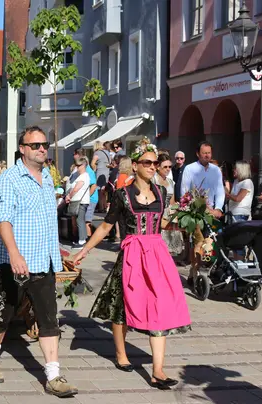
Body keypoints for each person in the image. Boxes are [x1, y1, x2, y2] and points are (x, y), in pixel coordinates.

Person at [74, 142, 191, 390]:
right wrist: (85, 250)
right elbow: (106, 226)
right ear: (135, 166)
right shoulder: (122, 195)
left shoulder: (162, 192)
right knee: (122, 304)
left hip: (156, 254)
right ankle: (120, 353)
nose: (152, 167)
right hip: (132, 253)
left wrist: (188, 222)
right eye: (147, 163)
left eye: (155, 163)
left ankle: (158, 370)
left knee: (159, 306)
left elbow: (163, 223)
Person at [0, 126, 78, 397]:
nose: (42, 149)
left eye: (44, 144)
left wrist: (56, 252)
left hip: (44, 260)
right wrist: (14, 254)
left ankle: (53, 375)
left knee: (48, 319)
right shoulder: (9, 179)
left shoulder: (47, 176)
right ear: (22, 149)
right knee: (4, 313)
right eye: (35, 145)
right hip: (15, 262)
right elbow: (3, 220)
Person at [180, 141, 225, 218]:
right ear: (198, 154)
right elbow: (184, 191)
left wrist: (218, 208)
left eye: (209, 153)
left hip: (211, 212)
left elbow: (220, 191)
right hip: (194, 212)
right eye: (204, 153)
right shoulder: (189, 168)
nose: (207, 155)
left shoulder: (216, 170)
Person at [65, 156, 91, 247]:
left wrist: (69, 196)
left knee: (80, 220)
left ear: (83, 165)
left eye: (79, 165)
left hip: (81, 201)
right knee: (79, 220)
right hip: (79, 201)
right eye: (76, 165)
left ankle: (82, 240)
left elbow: (76, 188)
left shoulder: (84, 176)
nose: (77, 167)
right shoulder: (79, 175)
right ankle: (82, 239)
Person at [91, 141, 111, 212]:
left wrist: (94, 169)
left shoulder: (97, 153)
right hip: (107, 172)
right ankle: (105, 206)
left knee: (99, 191)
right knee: (104, 191)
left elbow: (92, 163)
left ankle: (101, 207)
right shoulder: (107, 152)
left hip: (100, 172)